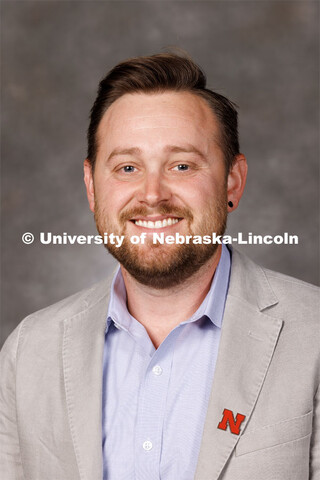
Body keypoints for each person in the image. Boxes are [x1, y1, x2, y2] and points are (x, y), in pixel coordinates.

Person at [0, 53, 319, 480]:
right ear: (93, 188)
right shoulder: (28, 351)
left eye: (182, 165)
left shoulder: (313, 336)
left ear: (232, 182)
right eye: (127, 167)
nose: (152, 195)